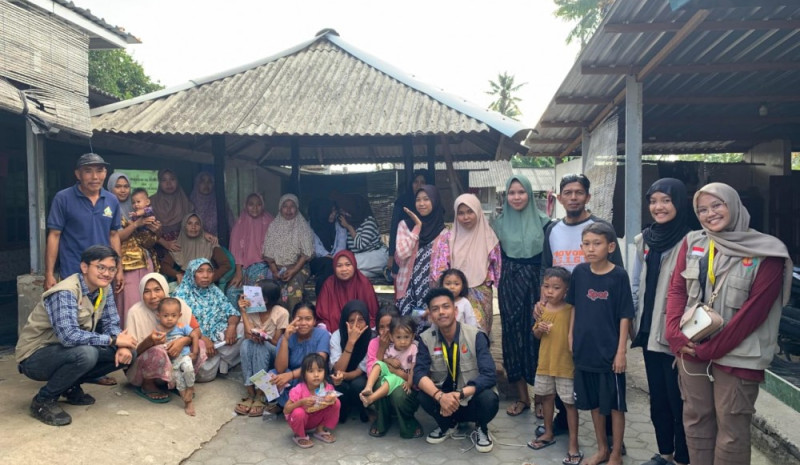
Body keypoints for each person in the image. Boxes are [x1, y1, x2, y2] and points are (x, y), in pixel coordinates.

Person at [665, 182, 792, 465]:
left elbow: (753, 314)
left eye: (716, 205)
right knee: (696, 419)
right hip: (691, 348)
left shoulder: (767, 251)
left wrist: (709, 350)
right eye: (702, 209)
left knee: (732, 428)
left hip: (739, 356)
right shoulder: (693, 242)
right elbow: (676, 291)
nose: (710, 214)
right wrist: (674, 333)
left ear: (733, 205)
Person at [540, 173, 623, 436]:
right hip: (564, 310)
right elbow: (545, 268)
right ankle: (564, 422)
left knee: (603, 375)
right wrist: (542, 300)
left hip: (597, 312)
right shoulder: (552, 230)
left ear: (587, 196)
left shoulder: (600, 227)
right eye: (568, 193)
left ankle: (611, 436)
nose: (573, 197)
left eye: (579, 192)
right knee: (565, 368)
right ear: (560, 197)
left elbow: (616, 271)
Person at [16, 245, 137, 426]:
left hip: (65, 351)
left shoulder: (105, 289)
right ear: (85, 267)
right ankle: (43, 400)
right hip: (35, 357)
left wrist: (122, 345)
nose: (107, 273)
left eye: (112, 269)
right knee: (87, 354)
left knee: (128, 354)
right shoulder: (65, 292)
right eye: (101, 267)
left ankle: (69, 386)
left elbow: (112, 322)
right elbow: (68, 336)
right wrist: (113, 340)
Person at [631, 179, 692, 465]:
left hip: (676, 334)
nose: (659, 207)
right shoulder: (644, 239)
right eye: (653, 201)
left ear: (679, 202)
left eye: (666, 200)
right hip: (648, 331)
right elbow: (635, 285)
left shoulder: (693, 240)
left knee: (679, 399)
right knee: (658, 398)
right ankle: (664, 452)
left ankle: (683, 457)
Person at [568, 222, 634, 465]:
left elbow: (625, 315)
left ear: (610, 246)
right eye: (586, 244)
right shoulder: (579, 273)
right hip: (585, 350)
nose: (591, 249)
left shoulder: (618, 276)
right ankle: (602, 449)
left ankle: (616, 453)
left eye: (597, 243)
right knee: (594, 403)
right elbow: (574, 306)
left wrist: (621, 352)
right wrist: (570, 335)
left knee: (615, 406)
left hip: (609, 353)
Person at [414, 288, 499, 453]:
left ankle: (481, 428)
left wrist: (460, 394)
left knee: (489, 398)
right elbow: (419, 373)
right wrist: (440, 396)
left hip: (469, 398)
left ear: (455, 310)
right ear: (431, 315)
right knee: (423, 394)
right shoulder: (426, 338)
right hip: (443, 402)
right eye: (435, 309)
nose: (441, 312)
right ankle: (447, 425)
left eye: (446, 306)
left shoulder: (475, 336)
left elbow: (489, 374)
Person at [492, 175, 550, 417]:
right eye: (512, 193)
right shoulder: (498, 224)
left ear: (529, 193)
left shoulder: (546, 223)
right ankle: (522, 397)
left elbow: (550, 260)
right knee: (513, 336)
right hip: (510, 282)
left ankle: (541, 400)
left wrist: (547, 292)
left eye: (521, 192)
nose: (516, 197)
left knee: (538, 336)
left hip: (537, 283)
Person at [45, 153, 123, 294]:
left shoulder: (112, 200)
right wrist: (49, 273)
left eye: (99, 170)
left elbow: (114, 235)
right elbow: (54, 235)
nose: (95, 177)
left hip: (103, 273)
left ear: (105, 173)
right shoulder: (63, 198)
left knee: (101, 314)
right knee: (73, 314)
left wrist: (118, 269)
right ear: (78, 174)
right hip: (72, 272)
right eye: (88, 171)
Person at [125, 273, 208, 403]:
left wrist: (183, 340)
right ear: (141, 293)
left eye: (157, 290)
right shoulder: (135, 313)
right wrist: (150, 342)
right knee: (158, 351)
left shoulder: (177, 304)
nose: (153, 296)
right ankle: (148, 385)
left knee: (200, 344)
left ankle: (177, 381)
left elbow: (196, 330)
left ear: (165, 289)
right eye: (147, 291)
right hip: (143, 369)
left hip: (176, 361)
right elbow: (131, 355)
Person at [528, 267, 581, 465]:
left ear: (566, 290)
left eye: (556, 288)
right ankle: (548, 432)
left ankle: (573, 443)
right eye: (546, 286)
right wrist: (539, 329)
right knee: (547, 398)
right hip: (545, 364)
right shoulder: (543, 309)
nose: (550, 292)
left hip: (565, 366)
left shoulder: (570, 310)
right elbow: (535, 334)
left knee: (569, 404)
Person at [430, 193, 500, 334]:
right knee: (451, 333)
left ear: (478, 212)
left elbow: (497, 268)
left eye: (470, 212)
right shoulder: (447, 237)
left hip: (480, 294)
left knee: (478, 334)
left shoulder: (489, 237)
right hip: (452, 294)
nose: (466, 217)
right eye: (461, 213)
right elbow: (439, 270)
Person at [174, 258, 242, 382]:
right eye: (200, 271)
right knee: (201, 363)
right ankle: (222, 362)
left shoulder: (214, 290)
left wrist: (231, 327)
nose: (205, 276)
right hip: (198, 340)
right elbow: (180, 326)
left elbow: (232, 312)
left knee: (244, 328)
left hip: (220, 338)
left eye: (209, 271)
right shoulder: (181, 295)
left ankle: (221, 361)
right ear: (192, 273)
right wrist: (203, 338)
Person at [109, 175, 161, 324]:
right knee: (129, 304)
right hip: (125, 265)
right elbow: (116, 237)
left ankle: (149, 339)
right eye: (118, 186)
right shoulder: (108, 209)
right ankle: (128, 340)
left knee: (149, 301)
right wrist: (136, 224)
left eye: (126, 186)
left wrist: (156, 231)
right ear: (110, 188)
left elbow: (147, 241)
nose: (123, 190)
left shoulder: (138, 209)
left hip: (146, 262)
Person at [395, 185, 449, 326]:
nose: (421, 203)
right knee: (408, 329)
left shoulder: (443, 232)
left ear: (435, 201)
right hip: (408, 289)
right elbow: (402, 253)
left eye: (426, 199)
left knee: (426, 329)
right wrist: (417, 227)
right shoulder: (405, 225)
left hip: (429, 289)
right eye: (418, 200)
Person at [364, 305, 422, 438]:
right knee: (377, 380)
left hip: (407, 387)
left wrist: (397, 372)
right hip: (385, 383)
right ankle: (382, 420)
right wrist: (382, 349)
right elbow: (372, 371)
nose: (385, 332)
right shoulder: (374, 343)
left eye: (389, 326)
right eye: (381, 327)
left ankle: (408, 421)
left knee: (397, 392)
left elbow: (415, 372)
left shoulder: (411, 345)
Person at [234, 280, 289, 417]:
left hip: (272, 353)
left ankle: (261, 393)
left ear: (265, 298)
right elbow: (248, 335)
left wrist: (266, 337)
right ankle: (251, 392)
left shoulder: (281, 313)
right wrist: (243, 312)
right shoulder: (252, 309)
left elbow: (278, 342)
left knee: (261, 346)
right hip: (254, 348)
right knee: (247, 344)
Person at [270, 302, 331, 411]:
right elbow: (280, 368)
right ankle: (290, 404)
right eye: (299, 319)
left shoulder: (322, 335)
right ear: (292, 320)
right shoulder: (287, 336)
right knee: (273, 375)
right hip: (292, 380)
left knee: (314, 378)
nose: (303, 323)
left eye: (308, 319)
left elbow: (319, 361)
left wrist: (291, 375)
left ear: (314, 321)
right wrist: (285, 339)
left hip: (312, 377)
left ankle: (291, 405)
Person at [262, 194, 315, 312]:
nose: (289, 210)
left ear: (297, 208)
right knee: (269, 289)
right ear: (280, 208)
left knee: (292, 291)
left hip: (299, 267)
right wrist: (275, 271)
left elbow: (305, 254)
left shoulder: (302, 226)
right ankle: (277, 325)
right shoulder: (274, 226)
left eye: (292, 206)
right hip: (277, 268)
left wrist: (293, 271)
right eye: (285, 206)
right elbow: (269, 254)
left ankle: (294, 323)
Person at [284, 353, 341, 448]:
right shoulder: (298, 389)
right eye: (311, 371)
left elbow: (332, 401)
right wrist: (301, 402)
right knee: (298, 412)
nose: (316, 375)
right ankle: (300, 435)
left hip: (317, 419)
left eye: (320, 370)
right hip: (302, 420)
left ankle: (320, 430)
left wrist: (330, 399)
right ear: (304, 374)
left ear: (325, 372)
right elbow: (286, 410)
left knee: (336, 403)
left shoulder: (326, 387)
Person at [226, 193, 274, 305]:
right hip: (242, 266)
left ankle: (254, 318)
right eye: (251, 204)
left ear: (263, 205)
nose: (255, 208)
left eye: (259, 204)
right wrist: (238, 273)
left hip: (263, 264)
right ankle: (237, 320)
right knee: (232, 291)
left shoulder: (270, 222)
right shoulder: (239, 223)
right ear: (245, 205)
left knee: (254, 290)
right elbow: (236, 251)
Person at [160, 213, 233, 287]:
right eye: (189, 223)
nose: (193, 227)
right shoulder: (178, 245)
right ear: (184, 226)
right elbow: (164, 266)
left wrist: (210, 278)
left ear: (201, 227)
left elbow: (225, 265)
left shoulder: (210, 243)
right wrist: (177, 274)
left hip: (206, 285)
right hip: (186, 284)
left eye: (197, 224)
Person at [155, 297, 200, 416]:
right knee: (178, 380)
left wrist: (194, 352)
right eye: (166, 316)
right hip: (172, 361)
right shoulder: (158, 330)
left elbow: (195, 335)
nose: (170, 319)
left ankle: (190, 388)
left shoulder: (181, 327)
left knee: (188, 369)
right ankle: (187, 402)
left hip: (185, 356)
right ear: (158, 316)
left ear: (179, 315)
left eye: (173, 315)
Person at [360, 315, 417, 407]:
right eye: (399, 337)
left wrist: (409, 383)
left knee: (391, 379)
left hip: (402, 378)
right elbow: (383, 360)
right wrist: (389, 360)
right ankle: (368, 387)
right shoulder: (390, 347)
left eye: (406, 337)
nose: (402, 341)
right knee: (378, 364)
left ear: (412, 336)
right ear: (392, 336)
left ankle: (371, 398)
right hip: (390, 373)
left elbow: (413, 369)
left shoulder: (413, 348)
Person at [329, 300, 372, 423]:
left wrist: (344, 376)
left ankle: (361, 408)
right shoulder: (337, 336)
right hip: (339, 374)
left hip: (358, 376)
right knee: (335, 383)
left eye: (360, 320)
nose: (356, 325)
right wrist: (350, 342)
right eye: (351, 321)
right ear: (345, 321)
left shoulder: (371, 338)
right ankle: (342, 409)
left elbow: (360, 371)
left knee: (358, 384)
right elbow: (338, 369)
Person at [316, 250, 380, 332]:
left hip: (362, 332)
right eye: (339, 266)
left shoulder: (363, 283)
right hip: (334, 334)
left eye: (348, 265)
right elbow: (322, 316)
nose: (344, 269)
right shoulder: (329, 284)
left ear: (354, 265)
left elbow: (373, 314)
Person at [333, 193, 388, 279]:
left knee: (347, 262)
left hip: (377, 257)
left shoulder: (369, 222)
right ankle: (384, 272)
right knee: (353, 274)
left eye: (346, 210)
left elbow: (360, 245)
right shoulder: (349, 222)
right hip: (363, 262)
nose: (345, 213)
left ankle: (384, 270)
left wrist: (349, 227)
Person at [387, 169, 429, 281]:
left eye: (422, 182)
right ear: (411, 184)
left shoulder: (431, 204)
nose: (419, 185)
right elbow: (394, 229)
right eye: (416, 182)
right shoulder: (402, 202)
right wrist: (391, 256)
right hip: (404, 251)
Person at [150, 168, 194, 250]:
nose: (169, 183)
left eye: (172, 179)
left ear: (177, 181)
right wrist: (165, 243)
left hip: (183, 248)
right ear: (159, 182)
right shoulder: (150, 203)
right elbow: (146, 231)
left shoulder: (186, 203)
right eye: (164, 180)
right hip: (158, 248)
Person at [189, 171, 233, 238]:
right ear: (197, 184)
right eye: (202, 181)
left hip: (218, 241)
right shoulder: (190, 203)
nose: (206, 185)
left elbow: (231, 222)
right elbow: (187, 227)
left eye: (209, 181)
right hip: (196, 243)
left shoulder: (220, 201)